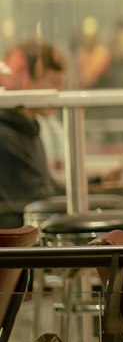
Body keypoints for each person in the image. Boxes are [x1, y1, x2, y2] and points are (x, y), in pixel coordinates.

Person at [0, 39, 66, 227]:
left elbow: (47, 188)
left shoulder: (29, 128)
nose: (57, 93)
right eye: (53, 82)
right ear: (26, 78)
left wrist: (99, 184)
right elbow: (39, 198)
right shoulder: (7, 135)